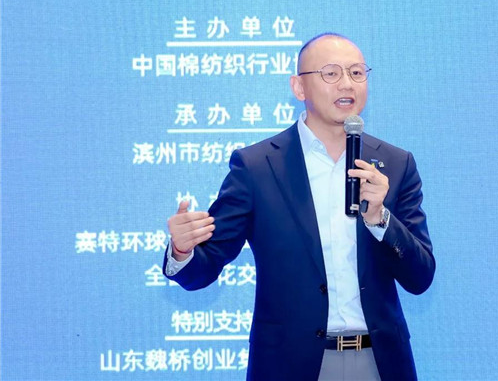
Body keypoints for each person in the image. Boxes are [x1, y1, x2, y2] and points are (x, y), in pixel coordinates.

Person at [163, 32, 435, 380]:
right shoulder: (257, 167)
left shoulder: (395, 164)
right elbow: (205, 266)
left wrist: (380, 219)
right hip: (289, 364)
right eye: (331, 73)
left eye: (356, 73)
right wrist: (182, 250)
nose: (347, 84)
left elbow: (420, 276)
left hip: (379, 362)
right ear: (299, 87)